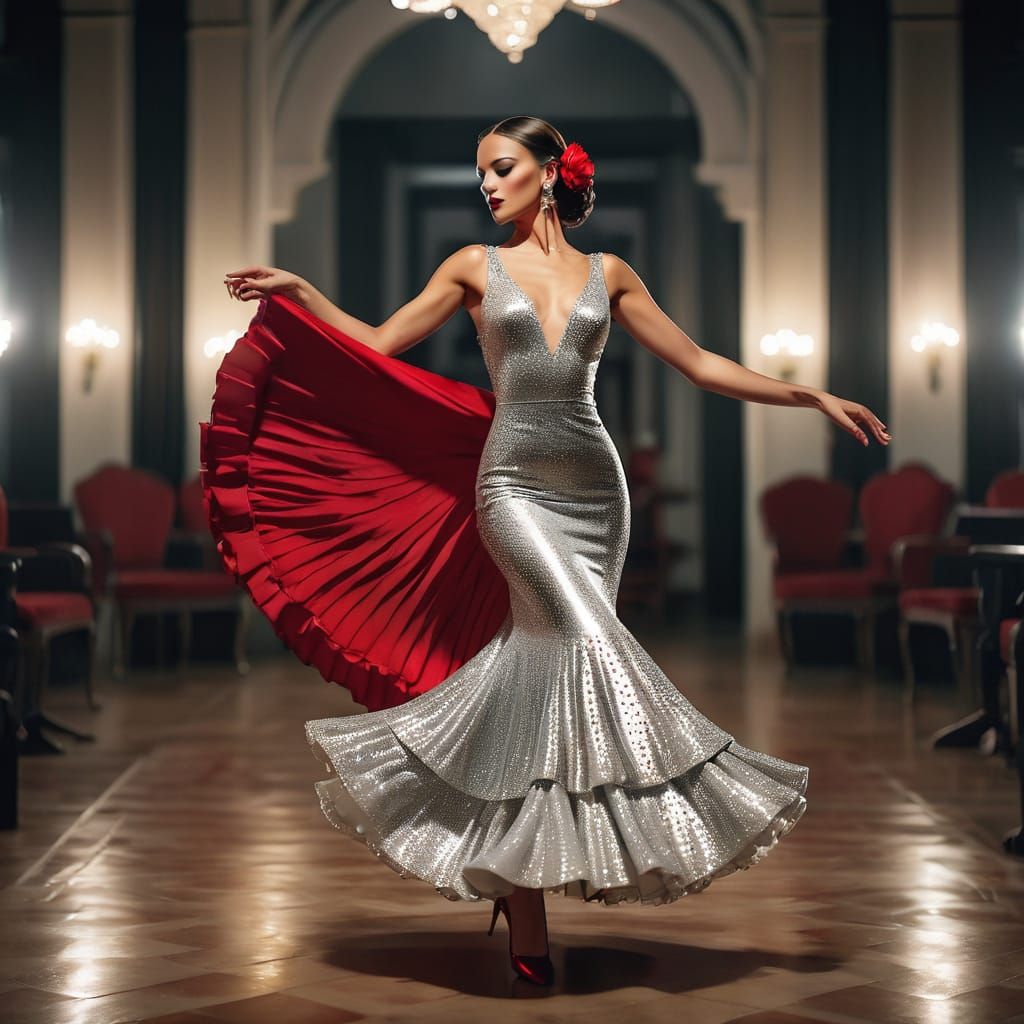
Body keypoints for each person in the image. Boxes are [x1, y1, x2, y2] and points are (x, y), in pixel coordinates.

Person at [210, 115, 889, 988]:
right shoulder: (471, 265)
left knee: (540, 678)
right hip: (513, 489)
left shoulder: (612, 273)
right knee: (582, 638)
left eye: (501, 168)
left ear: (549, 172)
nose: (487, 185)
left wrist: (812, 395)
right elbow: (377, 343)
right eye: (481, 174)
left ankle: (522, 896)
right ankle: (695, 781)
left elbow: (699, 363)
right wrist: (302, 292)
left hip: (597, 494)